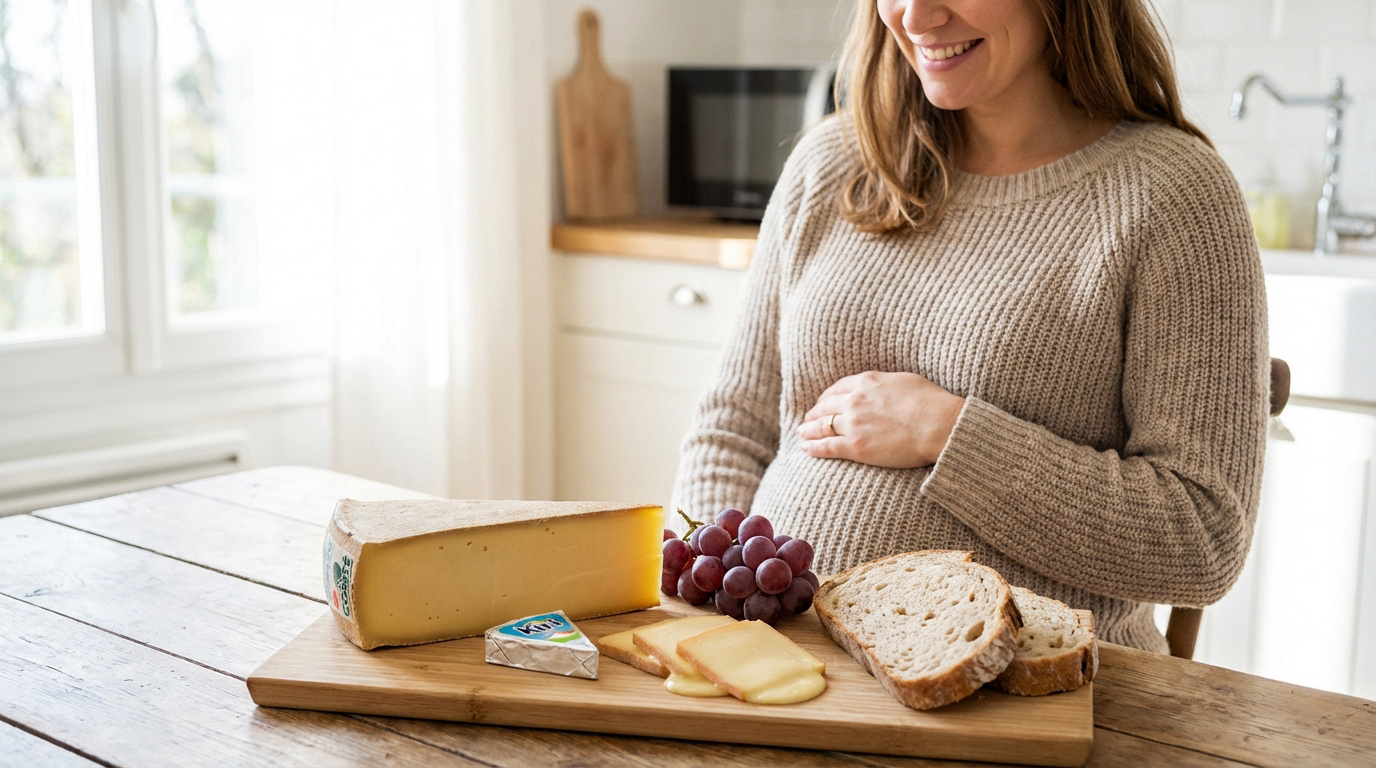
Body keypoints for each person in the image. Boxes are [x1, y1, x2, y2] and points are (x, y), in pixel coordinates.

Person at [670, 0, 1269, 653]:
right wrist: (714, 607)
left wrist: (946, 432)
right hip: (784, 666)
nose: (918, 17)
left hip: (1018, 695)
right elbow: (733, 430)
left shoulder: (1173, 193)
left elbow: (1201, 538)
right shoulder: (833, 162)